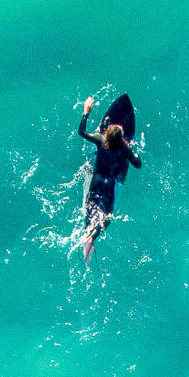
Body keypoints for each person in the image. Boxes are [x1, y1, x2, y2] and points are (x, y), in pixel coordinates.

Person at [77, 94, 141, 256]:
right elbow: (137, 164)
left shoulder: (100, 140)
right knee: (106, 216)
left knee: (91, 207)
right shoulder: (124, 149)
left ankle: (87, 237)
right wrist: (134, 152)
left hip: (97, 180)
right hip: (110, 183)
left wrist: (86, 112)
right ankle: (91, 240)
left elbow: (82, 132)